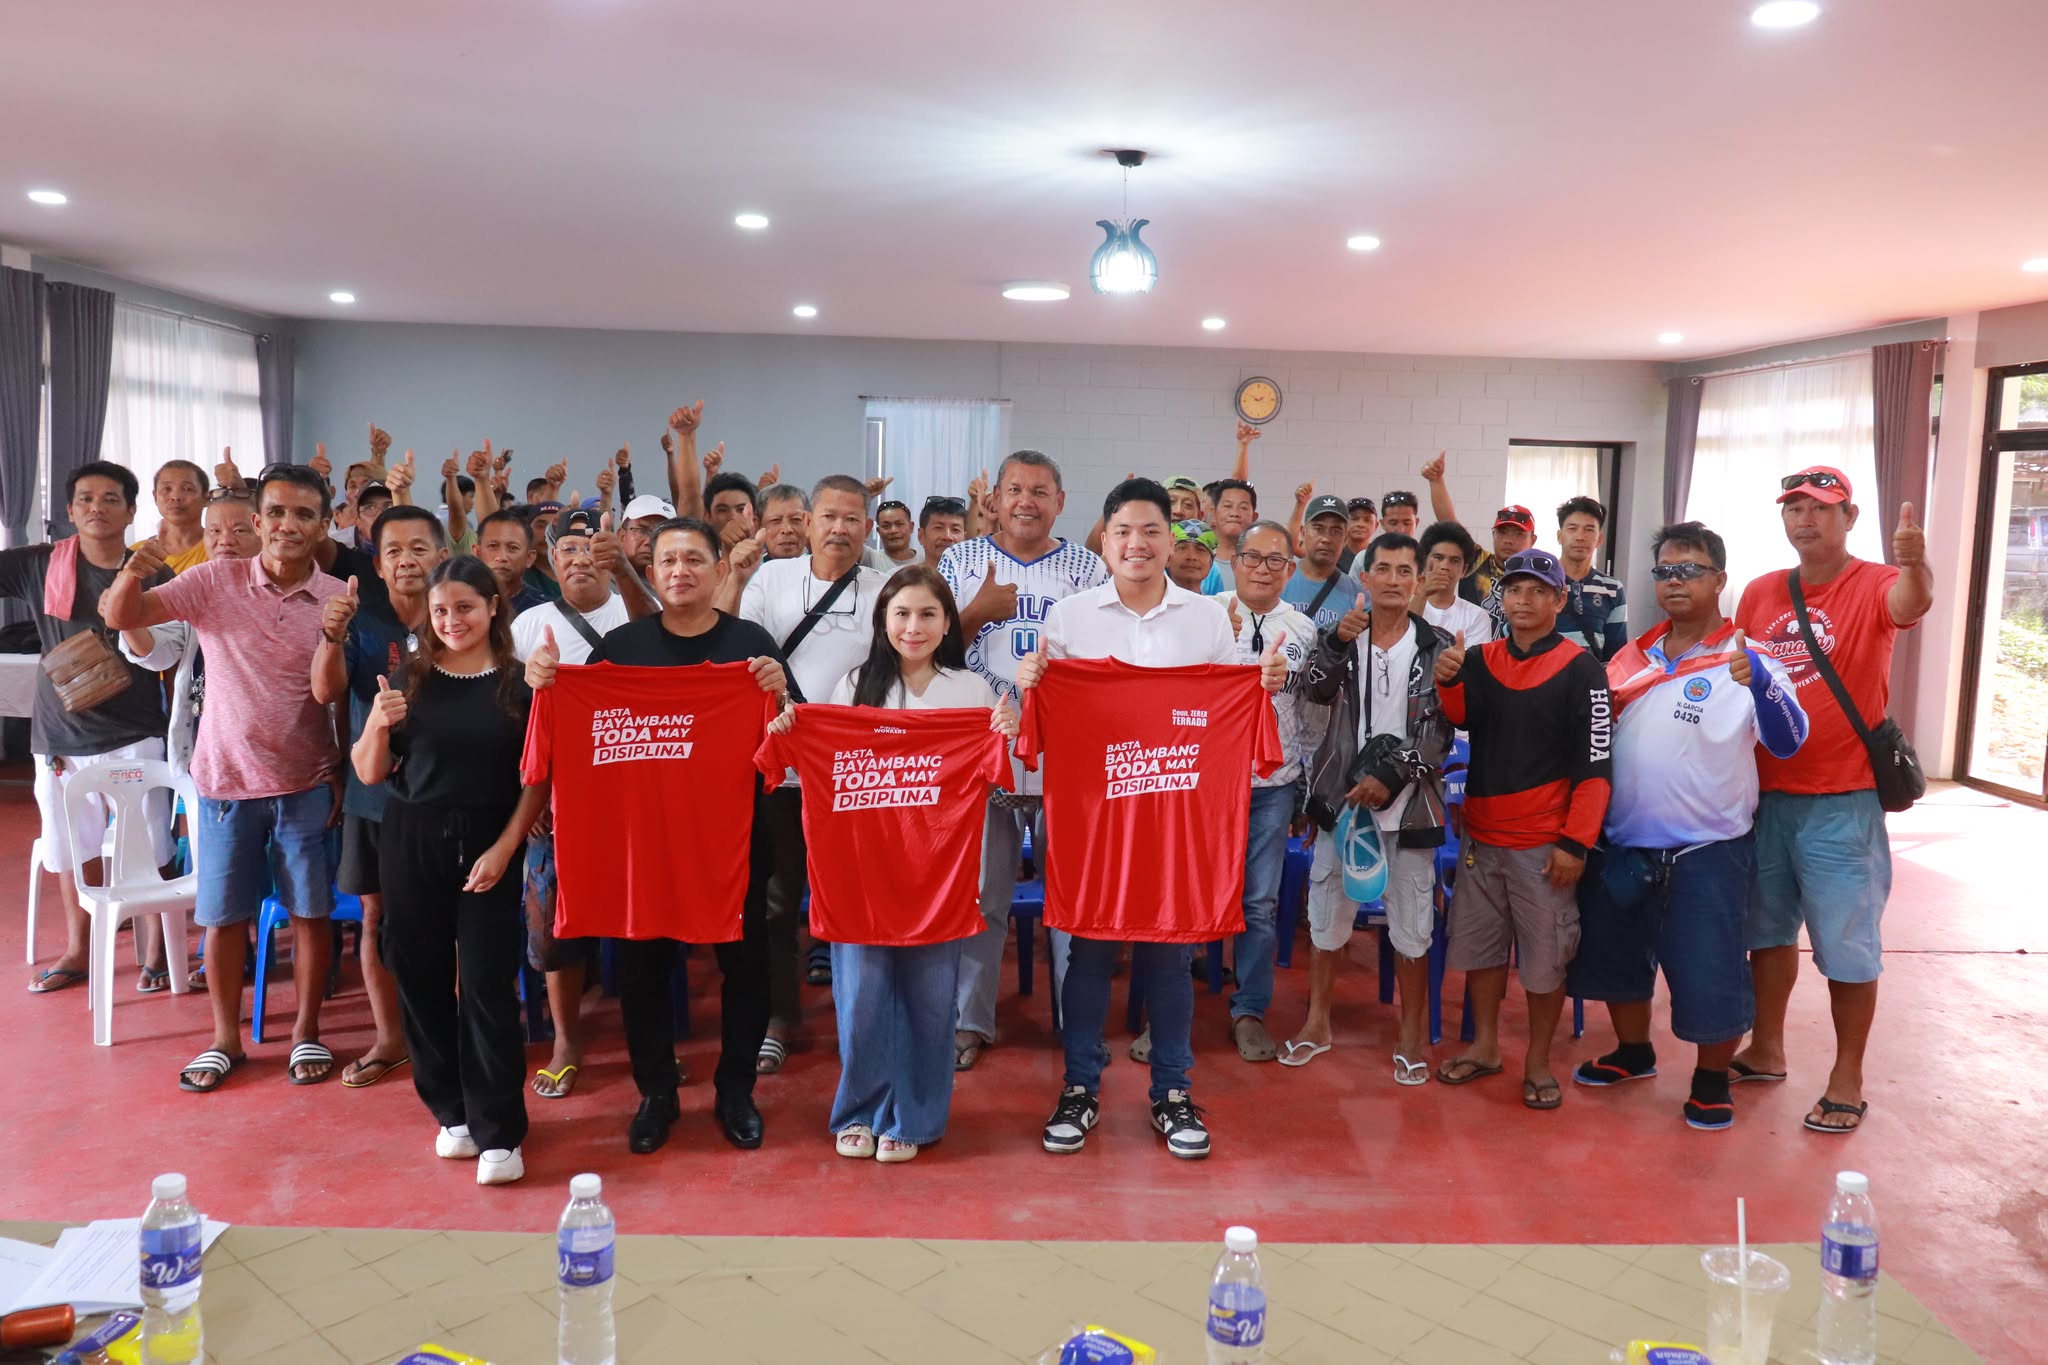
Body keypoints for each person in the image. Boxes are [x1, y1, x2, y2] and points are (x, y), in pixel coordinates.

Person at [1020, 477, 1288, 1159]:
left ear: (1173, 539)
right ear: (1104, 540)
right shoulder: (1069, 618)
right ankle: (1080, 1087)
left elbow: (1230, 706)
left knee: (1171, 952)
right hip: (1096, 819)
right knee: (1088, 951)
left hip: (1176, 819)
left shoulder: (1206, 619)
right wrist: (1032, 686)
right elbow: (1047, 719)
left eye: (1150, 531)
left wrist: (1261, 684)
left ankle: (1172, 1091)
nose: (1136, 543)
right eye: (1123, 531)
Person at [527, 517, 789, 1153]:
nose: (680, 571)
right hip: (640, 844)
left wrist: (780, 695)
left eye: (694, 559)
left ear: (719, 570)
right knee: (641, 971)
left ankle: (736, 1091)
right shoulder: (621, 647)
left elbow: (787, 738)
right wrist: (545, 682)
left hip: (731, 840)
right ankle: (656, 1094)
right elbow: (579, 725)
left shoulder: (750, 645)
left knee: (746, 967)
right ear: (650, 573)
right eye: (668, 560)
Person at [104, 464, 352, 1091]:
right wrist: (134, 568)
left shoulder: (334, 596)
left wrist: (340, 765)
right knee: (222, 918)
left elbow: (334, 693)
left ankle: (306, 1033)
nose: (288, 525)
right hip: (223, 781)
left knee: (311, 914)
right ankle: (224, 1040)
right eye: (277, 513)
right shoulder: (214, 580)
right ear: (258, 521)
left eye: (304, 514)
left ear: (324, 525)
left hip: (304, 779)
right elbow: (122, 616)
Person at [768, 567, 1019, 1161]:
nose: (914, 626)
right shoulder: (854, 686)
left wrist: (1004, 733)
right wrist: (791, 728)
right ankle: (859, 1111)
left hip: (940, 875)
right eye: (901, 613)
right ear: (882, 621)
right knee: (862, 1000)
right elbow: (820, 765)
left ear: (947, 623)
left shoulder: (971, 692)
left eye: (928, 614)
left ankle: (915, 1116)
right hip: (862, 874)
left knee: (930, 1002)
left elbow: (993, 777)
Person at [1570, 522, 1808, 1130]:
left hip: (1708, 851)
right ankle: (1633, 1052)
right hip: (1625, 843)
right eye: (1665, 571)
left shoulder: (1749, 658)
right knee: (1618, 959)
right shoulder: (1629, 657)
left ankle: (1709, 1079)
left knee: (1709, 968)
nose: (1675, 582)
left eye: (1690, 570)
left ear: (1719, 579)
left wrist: (1763, 689)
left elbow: (1788, 741)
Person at [1731, 467, 1932, 1134]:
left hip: (1843, 801)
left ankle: (1847, 1077)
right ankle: (1766, 1047)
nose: (1805, 520)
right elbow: (1746, 676)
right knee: (1766, 933)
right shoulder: (1761, 591)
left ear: (1849, 516)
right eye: (1793, 508)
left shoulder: (1874, 582)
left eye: (1820, 508)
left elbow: (1910, 603)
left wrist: (1916, 564)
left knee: (1847, 946)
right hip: (1766, 797)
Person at [352, 556, 545, 1185]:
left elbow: (537, 779)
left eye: (465, 607)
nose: (452, 620)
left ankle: (500, 1131)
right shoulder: (408, 679)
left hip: (489, 840)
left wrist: (506, 848)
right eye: (440, 610)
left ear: (492, 607)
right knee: (420, 976)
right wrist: (378, 723)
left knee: (486, 985)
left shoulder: (520, 685)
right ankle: (452, 1112)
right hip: (412, 838)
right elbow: (369, 771)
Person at [937, 450, 1106, 1068]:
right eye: (1014, 490)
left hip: (1066, 755)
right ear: (995, 500)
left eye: (1039, 491)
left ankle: (1075, 1019)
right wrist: (976, 613)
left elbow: (1104, 661)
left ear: (1060, 502)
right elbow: (927, 650)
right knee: (982, 895)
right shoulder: (960, 561)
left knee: (1071, 897)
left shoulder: (1088, 567)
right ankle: (970, 1021)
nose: (1026, 502)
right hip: (981, 751)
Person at [1435, 547, 1611, 1110]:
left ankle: (1537, 1061)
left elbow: (1596, 766)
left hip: (1545, 846)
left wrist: (1575, 843)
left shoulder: (1584, 669)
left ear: (1560, 600)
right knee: (1482, 951)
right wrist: (1448, 680)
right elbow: (1462, 718)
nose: (1524, 600)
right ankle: (1486, 1046)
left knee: (1544, 961)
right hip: (1481, 838)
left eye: (1538, 591)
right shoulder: (1480, 658)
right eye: (1515, 590)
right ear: (1502, 598)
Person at [1285, 533, 1455, 1081]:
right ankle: (1316, 1023)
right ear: (1365, 577)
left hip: (1410, 805)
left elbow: (1441, 731)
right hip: (1340, 800)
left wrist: (1390, 776)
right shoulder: (1342, 635)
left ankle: (1411, 1036)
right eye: (1383, 569)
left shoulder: (1438, 646)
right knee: (1325, 914)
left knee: (1413, 923)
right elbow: (1313, 691)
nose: (1394, 580)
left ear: (1419, 580)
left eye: (1405, 571)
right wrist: (1336, 642)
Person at [6, 461, 176, 995]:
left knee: (152, 846)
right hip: (59, 736)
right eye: (85, 499)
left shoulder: (153, 571)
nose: (96, 508)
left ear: (130, 511)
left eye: (109, 499)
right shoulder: (40, 564)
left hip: (136, 732)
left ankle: (156, 951)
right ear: (69, 510)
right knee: (71, 849)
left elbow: (170, 653)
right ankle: (79, 949)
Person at [740, 476, 890, 1069]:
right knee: (777, 902)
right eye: (829, 516)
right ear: (807, 522)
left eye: (853, 519)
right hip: (781, 770)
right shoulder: (771, 580)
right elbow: (742, 654)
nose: (840, 529)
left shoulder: (884, 590)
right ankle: (779, 1016)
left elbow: (897, 669)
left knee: (857, 898)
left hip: (853, 775)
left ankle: (863, 1019)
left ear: (867, 528)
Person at [311, 505, 450, 1090]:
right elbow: (326, 690)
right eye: (393, 550)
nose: (406, 560)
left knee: (449, 919)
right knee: (376, 916)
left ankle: (449, 1035)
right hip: (374, 799)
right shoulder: (361, 622)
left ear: (442, 555)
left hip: (446, 796)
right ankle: (391, 1039)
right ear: (378, 563)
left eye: (419, 548)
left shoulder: (460, 618)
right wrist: (331, 636)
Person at [508, 507, 641, 1099]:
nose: (580, 560)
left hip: (632, 796)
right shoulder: (527, 625)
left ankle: (648, 1037)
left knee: (642, 921)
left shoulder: (638, 612)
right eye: (568, 550)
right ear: (551, 559)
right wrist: (529, 795)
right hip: (553, 803)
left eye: (592, 549)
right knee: (551, 925)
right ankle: (566, 1040)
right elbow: (510, 717)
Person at [1213, 521, 1314, 1062]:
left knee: (1258, 903)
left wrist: (1307, 785)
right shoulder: (1205, 616)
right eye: (1252, 557)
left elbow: (1312, 716)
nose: (1262, 569)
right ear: (1234, 562)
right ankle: (1168, 1013)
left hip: (1274, 787)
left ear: (1291, 570)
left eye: (1276, 560)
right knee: (1192, 896)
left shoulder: (1303, 629)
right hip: (1207, 785)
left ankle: (1249, 1010)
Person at [118, 490, 263, 785]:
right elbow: (158, 653)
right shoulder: (195, 590)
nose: (225, 540)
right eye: (214, 531)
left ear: (263, 531)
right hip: (208, 750)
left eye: (240, 531)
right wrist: (127, 619)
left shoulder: (285, 594)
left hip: (271, 750)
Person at [1421, 452, 1537, 617]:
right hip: (1470, 633)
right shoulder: (1477, 561)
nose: (1508, 540)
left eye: (1518, 534)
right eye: (1502, 533)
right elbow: (1449, 523)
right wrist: (1436, 480)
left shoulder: (1539, 574)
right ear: (1493, 535)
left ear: (1532, 540)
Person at [1553, 496, 1629, 661]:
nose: (1580, 537)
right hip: (1544, 674)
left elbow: (1616, 655)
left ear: (1599, 539)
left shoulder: (1612, 589)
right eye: (1572, 528)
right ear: (1559, 536)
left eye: (1589, 530)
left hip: (1592, 676)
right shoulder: (1542, 583)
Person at [1286, 495, 1367, 636]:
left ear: (1345, 538)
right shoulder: (1277, 583)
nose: (1326, 539)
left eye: (1335, 531)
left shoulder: (1358, 597)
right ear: (1303, 532)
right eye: (1318, 529)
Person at [1415, 521, 1495, 645]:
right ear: (1424, 562)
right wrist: (1422, 593)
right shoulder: (1402, 605)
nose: (1445, 566)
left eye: (1454, 560)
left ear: (1464, 570)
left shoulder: (1477, 617)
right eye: (1438, 558)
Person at [143, 460, 211, 573]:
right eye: (167, 489)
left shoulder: (220, 548)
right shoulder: (139, 555)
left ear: (206, 497)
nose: (176, 497)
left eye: (187, 489)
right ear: (155, 497)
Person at [476, 510, 549, 614]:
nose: (502, 557)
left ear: (529, 558)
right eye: (493, 546)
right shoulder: (459, 601)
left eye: (513, 548)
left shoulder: (543, 610)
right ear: (477, 553)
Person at [1209, 479, 1258, 590]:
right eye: (1227, 506)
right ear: (1213, 513)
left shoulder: (1261, 564)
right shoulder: (1196, 560)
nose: (1235, 513)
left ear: (1254, 517)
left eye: (1243, 507)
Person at [618, 492, 676, 576]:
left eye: (659, 533)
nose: (649, 541)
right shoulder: (602, 578)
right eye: (641, 531)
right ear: (621, 536)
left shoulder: (678, 581)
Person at [757, 484, 812, 561]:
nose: (787, 530)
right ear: (759, 526)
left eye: (796, 519)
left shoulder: (823, 567)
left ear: (809, 523)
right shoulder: (749, 568)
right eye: (775, 520)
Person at [1168, 520, 1220, 594]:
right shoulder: (1151, 600)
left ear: (1211, 560)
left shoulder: (1217, 601)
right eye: (1182, 548)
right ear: (1168, 556)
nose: (1191, 557)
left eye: (1200, 550)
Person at [917, 495, 968, 569]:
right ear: (921, 536)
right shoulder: (904, 575)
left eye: (955, 529)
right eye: (938, 528)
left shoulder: (978, 575)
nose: (947, 536)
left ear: (965, 539)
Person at [870, 499, 920, 568]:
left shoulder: (927, 563)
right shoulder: (870, 559)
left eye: (899, 524)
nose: (893, 530)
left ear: (911, 527)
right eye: (886, 526)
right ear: (878, 531)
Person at [1334, 496, 1378, 574]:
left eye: (1367, 520)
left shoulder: (1379, 556)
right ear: (1344, 522)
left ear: (1376, 525)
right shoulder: (1333, 555)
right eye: (1354, 519)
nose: (1360, 524)